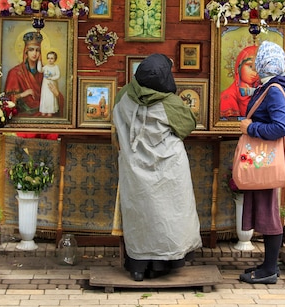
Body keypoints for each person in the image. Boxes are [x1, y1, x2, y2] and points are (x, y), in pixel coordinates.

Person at [112, 53, 201, 282]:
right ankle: (164, 266)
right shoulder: (170, 103)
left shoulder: (123, 95)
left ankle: (138, 267)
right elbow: (187, 125)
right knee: (166, 215)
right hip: (168, 168)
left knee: (140, 216)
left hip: (134, 168)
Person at [237, 41, 285, 285]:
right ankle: (268, 265)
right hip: (265, 158)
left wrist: (251, 127)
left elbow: (281, 126)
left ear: (264, 63)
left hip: (265, 160)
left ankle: (270, 269)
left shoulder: (273, 90)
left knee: (269, 211)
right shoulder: (277, 85)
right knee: (266, 208)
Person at [4, 31, 44, 116]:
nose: (34, 53)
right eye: (31, 50)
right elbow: (7, 100)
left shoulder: (44, 72)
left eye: (37, 50)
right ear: (26, 52)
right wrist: (23, 94)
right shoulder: (15, 72)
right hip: (23, 113)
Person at [219, 45, 261, 118]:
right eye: (250, 66)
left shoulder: (261, 91)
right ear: (239, 67)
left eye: (258, 68)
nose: (255, 73)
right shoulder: (228, 96)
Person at [38, 51, 61, 117]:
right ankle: (44, 110)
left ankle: (50, 111)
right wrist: (39, 61)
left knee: (50, 97)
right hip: (45, 84)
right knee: (45, 97)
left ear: (55, 59)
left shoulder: (56, 67)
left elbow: (58, 75)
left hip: (52, 84)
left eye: (52, 58)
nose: (50, 60)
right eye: (48, 58)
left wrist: (52, 78)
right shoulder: (46, 67)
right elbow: (40, 70)